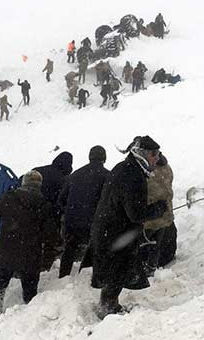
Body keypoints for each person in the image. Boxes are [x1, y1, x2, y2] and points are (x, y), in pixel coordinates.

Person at [90, 136, 168, 318]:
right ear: (141, 154)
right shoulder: (133, 176)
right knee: (118, 270)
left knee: (117, 270)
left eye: (158, 153)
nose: (157, 158)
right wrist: (158, 208)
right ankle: (108, 307)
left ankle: (109, 304)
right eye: (153, 154)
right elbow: (136, 213)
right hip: (116, 233)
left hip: (109, 229)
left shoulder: (125, 168)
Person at [0, 171, 51, 322]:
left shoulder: (9, 197)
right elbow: (50, 233)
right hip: (30, 255)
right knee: (30, 293)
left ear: (24, 182)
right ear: (39, 185)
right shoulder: (44, 204)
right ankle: (29, 321)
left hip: (6, 252)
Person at [57, 146, 110, 278]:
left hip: (72, 221)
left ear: (89, 157)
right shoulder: (108, 176)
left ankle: (63, 276)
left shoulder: (75, 175)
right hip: (94, 222)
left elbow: (61, 199)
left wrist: (71, 212)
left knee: (70, 248)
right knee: (96, 248)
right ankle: (86, 277)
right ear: (104, 158)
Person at [32, 152, 73, 271]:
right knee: (50, 243)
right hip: (48, 217)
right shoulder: (63, 180)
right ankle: (44, 269)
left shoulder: (37, 171)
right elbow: (63, 201)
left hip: (27, 212)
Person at [140, 152, 174, 276]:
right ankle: (151, 267)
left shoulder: (148, 172)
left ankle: (140, 269)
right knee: (156, 244)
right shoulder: (167, 168)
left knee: (141, 241)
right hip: (165, 215)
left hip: (151, 216)